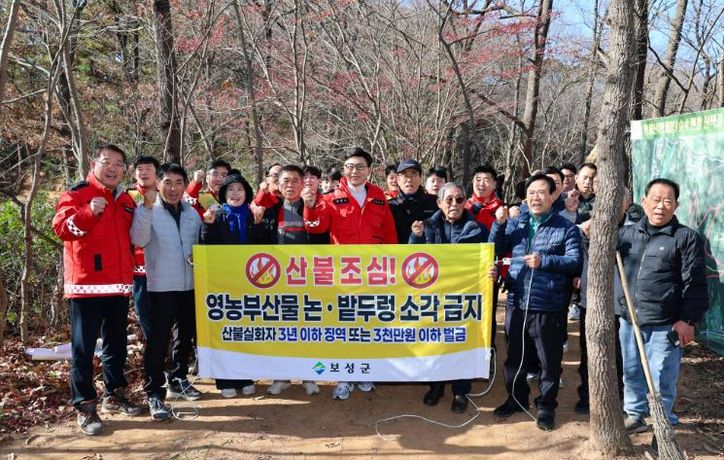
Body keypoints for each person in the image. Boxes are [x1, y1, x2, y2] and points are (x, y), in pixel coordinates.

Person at [52, 144, 142, 436]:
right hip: (85, 287)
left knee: (116, 346)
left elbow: (135, 238)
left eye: (118, 163)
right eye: (107, 162)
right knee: (83, 350)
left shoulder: (126, 200)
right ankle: (85, 405)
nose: (112, 168)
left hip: (118, 287)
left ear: (124, 170)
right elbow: (62, 229)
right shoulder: (77, 194)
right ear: (94, 164)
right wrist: (88, 212)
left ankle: (114, 395)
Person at [615, 178, 708, 433]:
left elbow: (696, 283)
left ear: (676, 205)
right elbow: (599, 257)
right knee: (631, 370)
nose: (660, 206)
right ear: (644, 201)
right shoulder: (627, 234)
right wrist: (589, 237)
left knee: (662, 376)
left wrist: (687, 320)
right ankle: (635, 414)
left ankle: (662, 424)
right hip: (630, 319)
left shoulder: (685, 237)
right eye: (656, 200)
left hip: (666, 323)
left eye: (668, 201)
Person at [303, 147, 397, 399]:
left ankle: (365, 372)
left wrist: (393, 263)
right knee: (345, 326)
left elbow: (389, 232)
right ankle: (344, 377)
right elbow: (316, 227)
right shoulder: (331, 197)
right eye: (350, 167)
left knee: (369, 324)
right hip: (344, 274)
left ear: (369, 170)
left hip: (373, 272)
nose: (354, 171)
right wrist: (310, 206)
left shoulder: (378, 196)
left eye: (360, 167)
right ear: (344, 170)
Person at [489, 174, 582, 431]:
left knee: (548, 361)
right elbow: (494, 249)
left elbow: (575, 261)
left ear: (554, 195)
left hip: (548, 304)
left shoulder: (566, 228)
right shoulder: (516, 223)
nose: (535, 198)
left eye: (541, 192)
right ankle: (516, 399)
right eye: (531, 193)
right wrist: (499, 225)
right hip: (517, 301)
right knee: (514, 357)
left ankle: (546, 407)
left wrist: (545, 261)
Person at [410, 182, 493, 413]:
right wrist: (416, 237)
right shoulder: (426, 227)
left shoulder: (478, 229)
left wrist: (491, 270)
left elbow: (489, 258)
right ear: (439, 203)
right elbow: (412, 258)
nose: (454, 204)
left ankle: (460, 391)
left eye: (459, 199)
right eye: (449, 200)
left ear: (465, 202)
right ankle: (436, 386)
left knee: (461, 344)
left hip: (464, 298)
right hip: (434, 298)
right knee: (435, 344)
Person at [131, 163, 203, 421]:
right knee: (158, 340)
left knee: (184, 336)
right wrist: (147, 209)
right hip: (160, 286)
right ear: (158, 184)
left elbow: (200, 243)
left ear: (185, 185)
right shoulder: (148, 210)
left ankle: (178, 379)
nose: (173, 188)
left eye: (179, 183)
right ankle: (154, 393)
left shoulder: (192, 213)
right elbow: (138, 240)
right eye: (168, 182)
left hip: (189, 285)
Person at [252, 165, 326, 395]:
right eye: (285, 181)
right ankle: (281, 377)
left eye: (295, 180)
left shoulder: (314, 207)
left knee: (308, 331)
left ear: (303, 183)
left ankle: (309, 377)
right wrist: (257, 222)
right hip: (278, 281)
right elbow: (258, 244)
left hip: (308, 279)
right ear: (279, 184)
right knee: (282, 331)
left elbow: (322, 239)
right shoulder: (271, 210)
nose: (290, 185)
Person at [199, 173, 259, 398]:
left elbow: (263, 246)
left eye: (239, 189)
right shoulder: (215, 215)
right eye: (230, 190)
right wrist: (207, 225)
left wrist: (259, 223)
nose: (235, 194)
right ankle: (225, 379)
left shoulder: (253, 215)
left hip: (249, 283)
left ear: (246, 193)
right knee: (225, 331)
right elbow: (205, 246)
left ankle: (245, 376)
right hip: (222, 283)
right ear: (223, 194)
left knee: (245, 331)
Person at [127, 155, 161, 340]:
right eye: (140, 169)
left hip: (165, 267)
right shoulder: (127, 196)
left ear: (157, 173)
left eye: (148, 169)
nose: (144, 173)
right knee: (144, 313)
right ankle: (155, 350)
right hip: (139, 268)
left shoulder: (167, 195)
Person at [388, 159, 438, 244]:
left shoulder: (434, 202)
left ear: (421, 178)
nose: (409, 179)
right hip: (398, 251)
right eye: (405, 175)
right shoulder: (390, 206)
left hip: (429, 251)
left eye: (414, 174)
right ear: (398, 179)